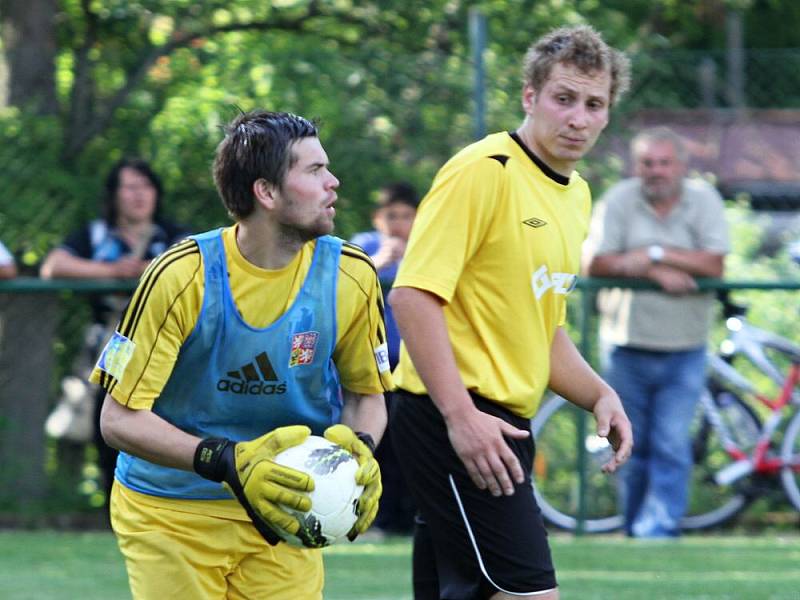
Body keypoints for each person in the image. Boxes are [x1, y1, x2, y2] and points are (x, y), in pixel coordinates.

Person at [89, 110, 390, 599]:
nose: (333, 183)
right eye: (314, 171)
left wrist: (360, 450)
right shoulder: (181, 275)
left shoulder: (351, 275)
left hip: (285, 511)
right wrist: (228, 460)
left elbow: (367, 396)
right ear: (266, 192)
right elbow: (118, 421)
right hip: (170, 511)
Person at [388, 25, 634, 600]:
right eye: (564, 98)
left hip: (502, 422)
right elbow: (412, 297)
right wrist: (460, 417)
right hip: (453, 417)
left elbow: (540, 326)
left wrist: (599, 394)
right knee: (530, 593)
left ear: (607, 115)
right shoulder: (484, 170)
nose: (578, 118)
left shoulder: (576, 195)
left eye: (594, 104)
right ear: (530, 96)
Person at [585, 126, 730, 538]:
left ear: (681, 166)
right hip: (625, 345)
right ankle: (634, 529)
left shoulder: (704, 200)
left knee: (670, 443)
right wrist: (654, 271)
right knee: (631, 443)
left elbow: (714, 265)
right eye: (647, 163)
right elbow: (594, 263)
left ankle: (659, 531)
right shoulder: (618, 200)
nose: (656, 171)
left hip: (685, 346)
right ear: (637, 166)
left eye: (664, 162)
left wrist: (652, 252)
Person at [40, 158, 189, 504]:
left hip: (166, 344)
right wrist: (110, 270)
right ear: (114, 195)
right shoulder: (95, 235)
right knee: (109, 421)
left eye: (146, 186)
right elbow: (53, 266)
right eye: (130, 187)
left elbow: (198, 265)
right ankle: (113, 504)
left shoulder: (172, 235)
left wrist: (149, 269)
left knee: (168, 420)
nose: (140, 195)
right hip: (114, 345)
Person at [351, 182, 420, 535]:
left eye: (407, 216)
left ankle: (408, 517)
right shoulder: (365, 247)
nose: (399, 224)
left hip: (413, 364)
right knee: (377, 441)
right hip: (374, 363)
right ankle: (377, 515)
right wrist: (381, 262)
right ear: (378, 218)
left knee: (410, 442)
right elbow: (350, 280)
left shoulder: (426, 248)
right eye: (391, 215)